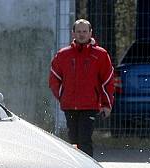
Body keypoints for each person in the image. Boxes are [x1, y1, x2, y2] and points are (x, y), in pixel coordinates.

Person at [49, 19, 115, 157]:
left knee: (84, 140)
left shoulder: (100, 55)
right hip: (69, 106)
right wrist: (63, 95)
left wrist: (106, 104)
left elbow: (107, 81)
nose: (81, 34)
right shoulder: (63, 54)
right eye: (78, 31)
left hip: (89, 106)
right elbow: (54, 78)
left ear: (90, 33)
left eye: (85, 31)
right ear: (73, 33)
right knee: (73, 141)